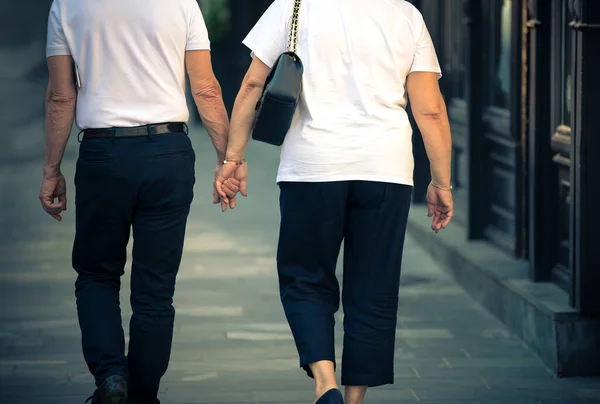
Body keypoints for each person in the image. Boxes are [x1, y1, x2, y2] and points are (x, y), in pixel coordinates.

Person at [217, 0, 453, 403]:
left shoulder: (292, 7)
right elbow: (429, 110)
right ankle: (354, 398)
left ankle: (325, 384)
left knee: (305, 277)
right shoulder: (406, 15)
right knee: (374, 287)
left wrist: (234, 158)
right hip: (385, 169)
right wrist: (441, 182)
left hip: (312, 167)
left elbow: (252, 85)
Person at [39, 0, 235, 402]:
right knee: (156, 288)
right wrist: (227, 159)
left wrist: (51, 170)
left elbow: (62, 97)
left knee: (96, 274)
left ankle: (111, 379)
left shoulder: (67, 5)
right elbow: (206, 88)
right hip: (168, 152)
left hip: (103, 155)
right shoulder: (182, 3)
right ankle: (143, 393)